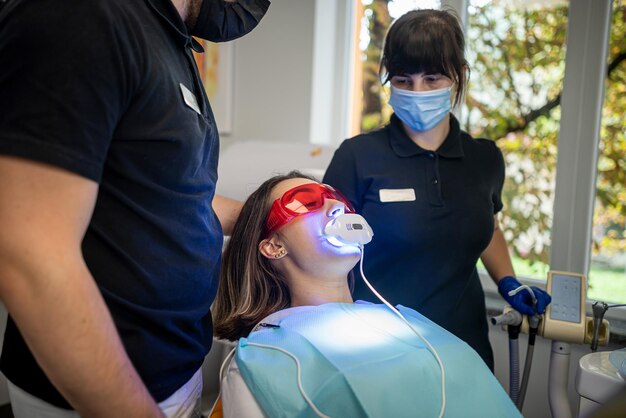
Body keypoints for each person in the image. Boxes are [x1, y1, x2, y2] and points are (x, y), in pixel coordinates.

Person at [0, 0, 268, 416]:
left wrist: (274, 213)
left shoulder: (165, 36)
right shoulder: (85, 16)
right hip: (99, 392)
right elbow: (29, 257)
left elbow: (165, 193)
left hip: (173, 371)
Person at [322, 8, 551, 372]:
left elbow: (485, 225)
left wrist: (508, 280)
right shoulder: (358, 157)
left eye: (432, 78)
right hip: (375, 351)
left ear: (459, 75)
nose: (417, 91)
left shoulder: (484, 159)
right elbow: (321, 250)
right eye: (403, 80)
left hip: (464, 349)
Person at [210, 171, 522, 418]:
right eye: (306, 201)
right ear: (273, 246)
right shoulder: (262, 361)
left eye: (336, 198)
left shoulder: (403, 322)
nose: (336, 207)